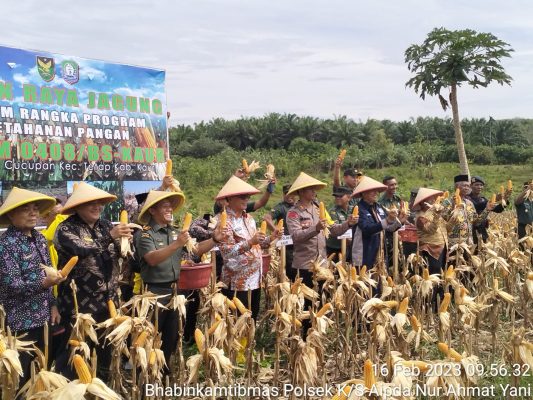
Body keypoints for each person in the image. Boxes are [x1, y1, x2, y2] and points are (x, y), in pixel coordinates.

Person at [136, 190, 223, 373]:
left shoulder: (175, 231)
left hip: (176, 293)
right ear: (152, 211)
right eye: (165, 206)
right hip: (154, 293)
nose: (170, 209)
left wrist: (214, 239)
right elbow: (152, 258)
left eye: (171, 206)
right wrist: (176, 244)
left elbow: (195, 250)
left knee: (171, 337)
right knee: (150, 338)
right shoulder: (145, 235)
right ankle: (145, 380)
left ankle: (164, 375)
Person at [53, 182, 133, 380]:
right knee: (76, 354)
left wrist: (126, 245)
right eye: (91, 203)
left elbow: (121, 256)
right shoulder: (65, 229)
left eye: (100, 203)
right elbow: (80, 250)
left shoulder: (106, 225)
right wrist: (110, 237)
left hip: (108, 302)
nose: (97, 207)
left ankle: (103, 386)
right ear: (78, 206)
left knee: (104, 352)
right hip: (78, 306)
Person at [0, 187, 64, 389]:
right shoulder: (5, 245)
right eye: (26, 209)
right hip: (20, 322)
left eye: (36, 209)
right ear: (11, 214)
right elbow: (12, 285)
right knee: (21, 377)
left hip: (44, 318)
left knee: (42, 371)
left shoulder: (40, 239)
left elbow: (49, 274)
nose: (33, 213)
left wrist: (52, 304)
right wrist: (44, 283)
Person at [216, 176, 279, 320]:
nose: (246, 199)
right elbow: (226, 252)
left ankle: (250, 343)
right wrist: (250, 242)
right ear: (230, 199)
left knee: (252, 318)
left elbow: (257, 244)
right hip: (237, 282)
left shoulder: (249, 219)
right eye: (242, 197)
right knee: (237, 321)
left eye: (248, 196)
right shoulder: (225, 222)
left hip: (255, 279)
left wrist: (271, 237)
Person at [286, 172, 357, 282]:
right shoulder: (294, 213)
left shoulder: (319, 209)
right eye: (311, 189)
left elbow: (333, 230)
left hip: (322, 265)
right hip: (304, 266)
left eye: (314, 189)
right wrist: (316, 228)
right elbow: (296, 236)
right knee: (307, 299)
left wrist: (348, 223)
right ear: (301, 191)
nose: (314, 191)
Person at [351, 176, 406, 270]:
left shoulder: (378, 207)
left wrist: (399, 221)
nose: (376, 193)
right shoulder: (359, 209)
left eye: (377, 191)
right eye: (373, 190)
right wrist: (387, 220)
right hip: (365, 253)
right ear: (364, 193)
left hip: (380, 253)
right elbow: (367, 229)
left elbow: (388, 229)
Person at [442, 175, 493, 247]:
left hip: (468, 243)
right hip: (452, 244)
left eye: (468, 186)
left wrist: (487, 210)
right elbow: (445, 219)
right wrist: (453, 205)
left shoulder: (469, 203)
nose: (467, 188)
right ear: (456, 187)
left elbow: (476, 222)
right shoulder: (447, 202)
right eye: (464, 186)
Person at [263, 184, 295, 280]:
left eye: (292, 193)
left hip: (299, 245)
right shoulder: (280, 207)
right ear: (283, 194)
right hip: (286, 247)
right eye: (287, 194)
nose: (290, 196)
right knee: (290, 272)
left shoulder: (299, 206)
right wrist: (275, 230)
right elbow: (266, 218)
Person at [413, 188, 448, 274]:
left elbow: (447, 229)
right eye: (431, 199)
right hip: (431, 249)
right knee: (434, 273)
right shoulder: (420, 217)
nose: (434, 200)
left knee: (442, 272)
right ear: (423, 202)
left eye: (434, 198)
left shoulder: (435, 213)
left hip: (442, 247)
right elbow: (431, 230)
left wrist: (453, 221)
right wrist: (436, 215)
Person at [467, 176, 507, 244]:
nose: (479, 187)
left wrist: (505, 199)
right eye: (476, 185)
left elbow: (498, 210)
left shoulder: (483, 199)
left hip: (482, 230)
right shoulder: (467, 199)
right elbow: (476, 207)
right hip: (471, 231)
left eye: (481, 185)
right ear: (471, 186)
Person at [326, 186, 354, 262]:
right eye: (336, 196)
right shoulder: (332, 211)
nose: (337, 198)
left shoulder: (354, 209)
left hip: (350, 246)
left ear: (349, 198)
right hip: (334, 247)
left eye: (340, 196)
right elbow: (335, 229)